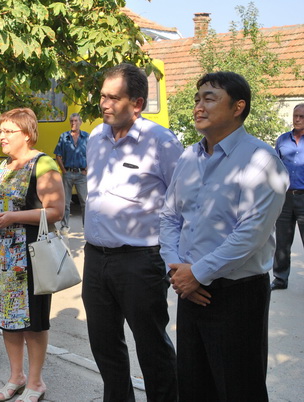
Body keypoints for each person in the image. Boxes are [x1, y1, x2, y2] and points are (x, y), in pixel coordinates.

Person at [160, 71, 289, 401]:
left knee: (238, 388)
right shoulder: (189, 157)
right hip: (189, 290)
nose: (198, 107)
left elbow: (251, 234)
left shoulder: (261, 160)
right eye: (197, 99)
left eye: (209, 98)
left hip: (237, 295)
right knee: (193, 385)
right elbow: (170, 217)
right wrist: (177, 269)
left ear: (238, 107)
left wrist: (197, 273)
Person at [82, 63, 183, 402]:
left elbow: (183, 205)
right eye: (102, 96)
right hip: (96, 259)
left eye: (114, 98)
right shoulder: (95, 137)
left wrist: (176, 260)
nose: (104, 104)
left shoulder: (162, 142)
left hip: (141, 261)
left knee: (152, 347)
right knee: (104, 344)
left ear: (137, 104)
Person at [0, 107, 64, 402]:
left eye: (8, 131)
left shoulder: (43, 164)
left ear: (27, 134)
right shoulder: (1, 166)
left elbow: (55, 211)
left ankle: (36, 381)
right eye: (1, 130)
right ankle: (16, 376)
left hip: (31, 256)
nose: (1, 136)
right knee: (7, 319)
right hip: (1, 256)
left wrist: (12, 218)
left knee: (34, 323)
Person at [272, 103, 304, 290]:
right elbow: (275, 166)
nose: (297, 119)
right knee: (282, 241)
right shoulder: (283, 140)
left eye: (301, 116)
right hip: (285, 198)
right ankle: (280, 279)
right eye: (295, 115)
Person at [53, 113, 88, 234]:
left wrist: (86, 169)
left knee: (84, 202)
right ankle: (64, 226)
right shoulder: (64, 137)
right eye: (71, 121)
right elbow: (58, 155)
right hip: (67, 173)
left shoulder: (86, 137)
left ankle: (86, 227)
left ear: (80, 122)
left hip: (81, 174)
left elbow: (92, 154)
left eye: (76, 121)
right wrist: (63, 170)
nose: (73, 123)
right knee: (66, 202)